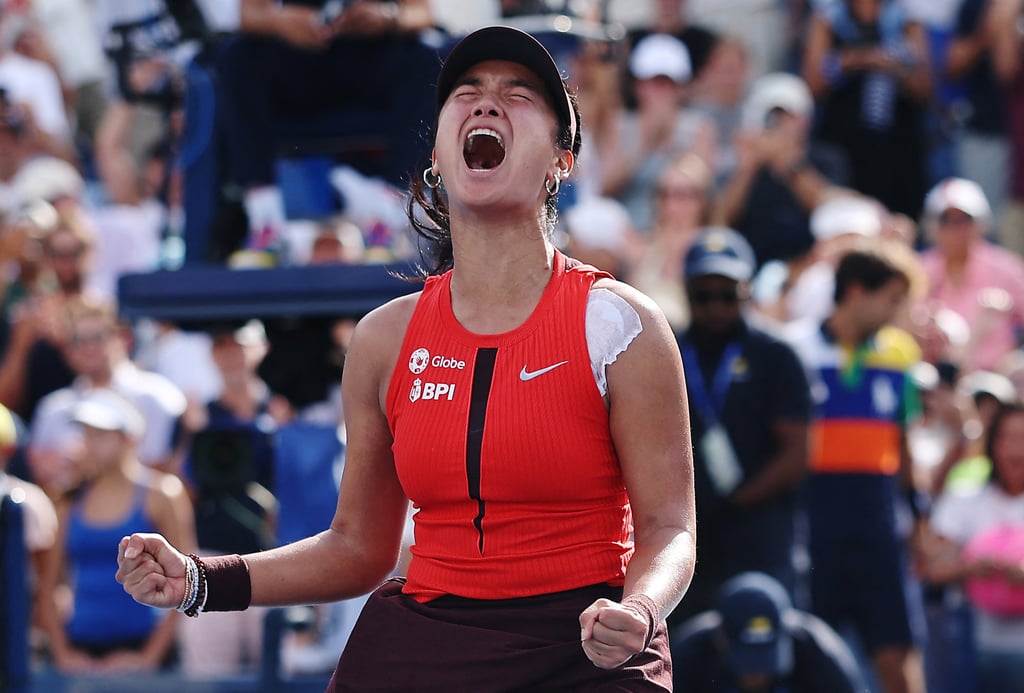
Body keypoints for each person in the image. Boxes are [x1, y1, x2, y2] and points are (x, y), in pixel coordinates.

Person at [116, 25, 696, 691]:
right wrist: (199, 579)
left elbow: (669, 527)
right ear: (438, 159)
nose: (486, 102)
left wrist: (639, 609)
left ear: (562, 160)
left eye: (518, 94)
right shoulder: (383, 339)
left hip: (588, 645)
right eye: (466, 92)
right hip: (428, 641)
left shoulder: (622, 324)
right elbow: (358, 547)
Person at [786, 247, 928, 693]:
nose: (897, 312)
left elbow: (903, 442)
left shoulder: (900, 352)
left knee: (897, 656)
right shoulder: (794, 348)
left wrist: (920, 517)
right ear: (855, 292)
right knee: (814, 661)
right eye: (892, 299)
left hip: (877, 528)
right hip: (813, 527)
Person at [669, 227, 812, 626]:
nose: (716, 307)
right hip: (687, 536)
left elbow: (797, 453)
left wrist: (734, 501)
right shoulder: (666, 350)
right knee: (688, 647)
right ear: (686, 292)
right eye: (703, 295)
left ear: (747, 291)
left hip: (760, 533)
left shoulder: (777, 355)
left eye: (728, 295)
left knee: (765, 645)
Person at [37, 387, 195, 674]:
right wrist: (64, 656)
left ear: (129, 439)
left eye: (100, 434)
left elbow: (188, 580)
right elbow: (49, 586)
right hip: (80, 651)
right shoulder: (67, 500)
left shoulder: (163, 494)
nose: (90, 443)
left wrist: (148, 659)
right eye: (86, 434)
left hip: (144, 653)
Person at [921, 400, 1024, 693]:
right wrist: (972, 566)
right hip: (970, 651)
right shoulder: (965, 498)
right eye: (1007, 438)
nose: (1016, 450)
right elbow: (933, 568)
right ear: (992, 443)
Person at [671, 571, 867, 692]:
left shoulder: (820, 652)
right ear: (720, 638)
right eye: (747, 658)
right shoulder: (685, 657)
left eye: (763, 657)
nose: (756, 674)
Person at [918, 177, 1024, 374]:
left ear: (981, 224)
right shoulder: (918, 271)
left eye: (964, 221)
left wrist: (1016, 360)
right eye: (946, 220)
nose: (955, 230)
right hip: (934, 378)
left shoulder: (1008, 269)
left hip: (997, 379)